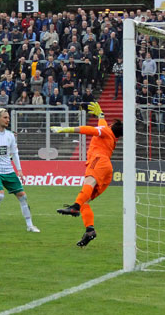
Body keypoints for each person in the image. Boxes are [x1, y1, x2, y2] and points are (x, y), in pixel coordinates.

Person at [52, 101, 121, 247]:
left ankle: (75, 207)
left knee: (88, 184)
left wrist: (66, 129)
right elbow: (102, 124)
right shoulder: (111, 136)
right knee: (86, 201)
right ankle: (90, 230)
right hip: (107, 169)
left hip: (99, 161)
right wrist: (101, 114)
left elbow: (90, 130)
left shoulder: (105, 131)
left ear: (112, 128)